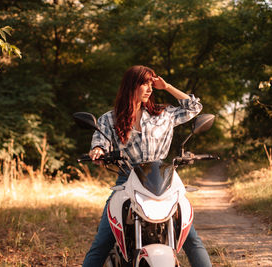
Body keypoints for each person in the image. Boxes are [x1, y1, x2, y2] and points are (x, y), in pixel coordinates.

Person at [83, 65, 211, 267]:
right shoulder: (109, 119)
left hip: (163, 180)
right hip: (128, 181)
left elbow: (194, 107)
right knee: (102, 242)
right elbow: (100, 141)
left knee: (191, 238)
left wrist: (167, 86)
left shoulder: (163, 114)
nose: (150, 88)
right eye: (145, 83)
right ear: (130, 86)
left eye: (152, 83)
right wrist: (98, 150)